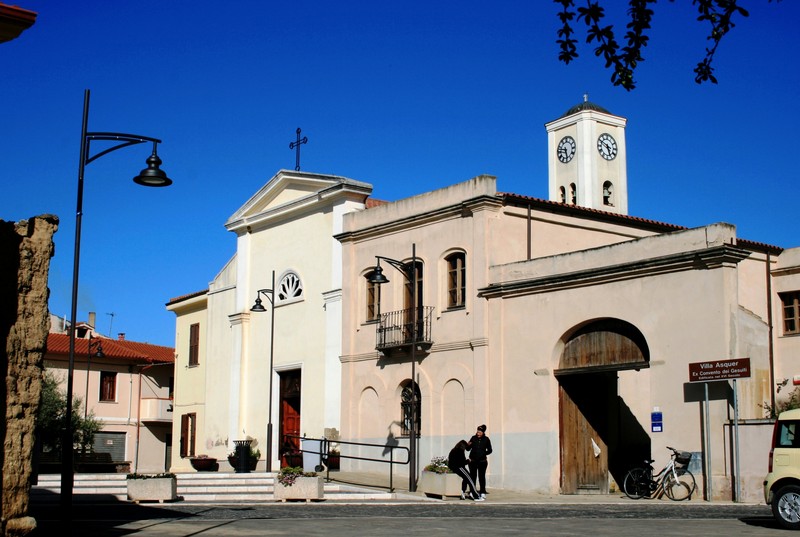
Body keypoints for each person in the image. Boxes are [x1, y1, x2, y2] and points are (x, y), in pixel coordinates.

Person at [467, 424, 492, 498]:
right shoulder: (473, 438)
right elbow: (468, 449)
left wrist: (484, 453)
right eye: (477, 431)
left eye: (480, 432)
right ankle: (472, 491)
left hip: (482, 461)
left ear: (483, 432)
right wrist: (468, 445)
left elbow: (490, 450)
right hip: (473, 461)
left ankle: (482, 492)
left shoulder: (486, 439)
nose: (478, 433)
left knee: (481, 477)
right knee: (472, 476)